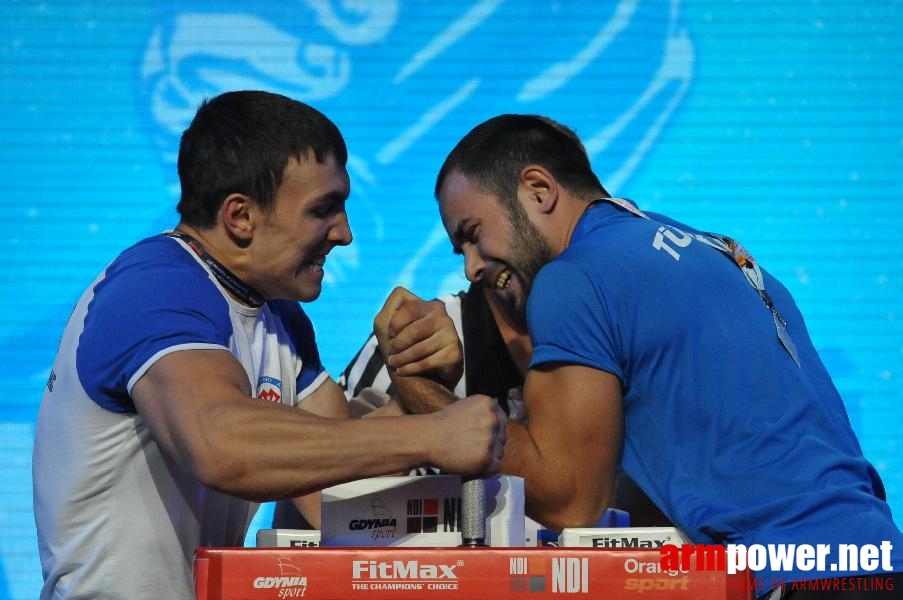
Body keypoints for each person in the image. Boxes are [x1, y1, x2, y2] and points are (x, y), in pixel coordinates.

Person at [394, 114, 902, 598]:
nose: (470, 268)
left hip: (798, 578)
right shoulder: (723, 256)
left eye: (472, 235)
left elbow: (573, 498)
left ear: (539, 190)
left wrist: (416, 387)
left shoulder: (574, 277)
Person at [31, 90, 505, 600]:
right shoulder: (154, 288)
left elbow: (334, 486)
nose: (344, 234)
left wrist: (415, 384)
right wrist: (431, 435)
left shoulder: (279, 316)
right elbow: (220, 446)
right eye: (323, 210)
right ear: (240, 217)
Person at [274, 279, 670, 530]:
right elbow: (327, 502)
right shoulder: (421, 340)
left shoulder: (632, 340)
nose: (471, 265)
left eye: (475, 233)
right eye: (462, 242)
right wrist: (417, 392)